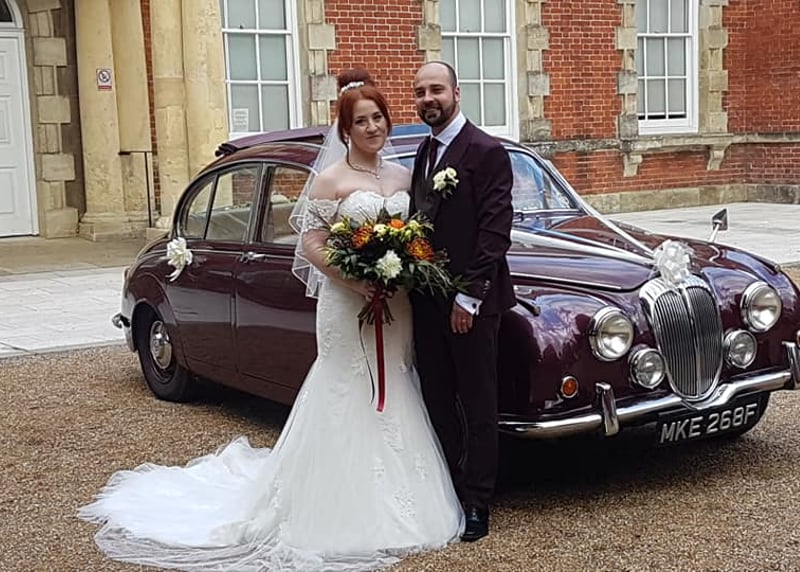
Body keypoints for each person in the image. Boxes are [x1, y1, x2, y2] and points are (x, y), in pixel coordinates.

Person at [77, 69, 464, 572]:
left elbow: (416, 236)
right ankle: (336, 507)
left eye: (378, 118)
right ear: (345, 130)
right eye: (361, 121)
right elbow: (312, 243)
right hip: (347, 303)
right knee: (346, 386)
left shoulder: (402, 177)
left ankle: (405, 499)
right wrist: (355, 281)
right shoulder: (331, 179)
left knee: (396, 382)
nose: (372, 127)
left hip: (396, 305)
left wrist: (400, 270)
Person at [409, 61, 515, 542]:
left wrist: (469, 297)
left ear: (457, 92)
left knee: (478, 403)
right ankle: (450, 488)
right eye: (420, 92)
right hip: (426, 300)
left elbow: (495, 232)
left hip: (470, 304)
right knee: (436, 397)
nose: (428, 98)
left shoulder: (486, 151)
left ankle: (478, 502)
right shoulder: (424, 150)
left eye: (436, 89)